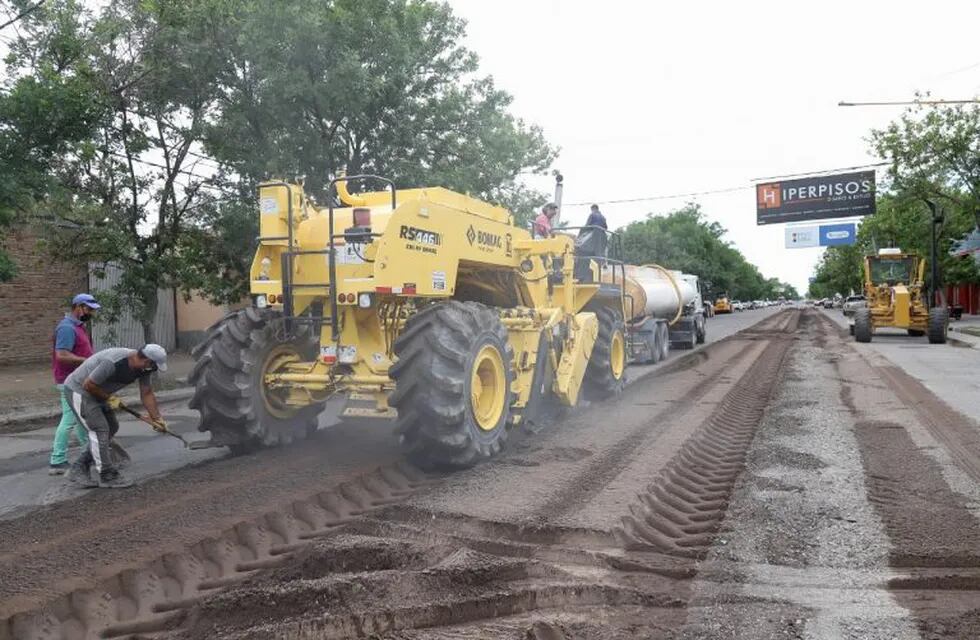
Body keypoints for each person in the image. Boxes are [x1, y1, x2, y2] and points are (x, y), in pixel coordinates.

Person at [64, 344, 169, 488]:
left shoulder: (144, 369)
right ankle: (107, 474)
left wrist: (157, 419)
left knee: (112, 427)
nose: (154, 370)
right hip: (80, 390)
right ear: (147, 361)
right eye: (155, 366)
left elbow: (147, 393)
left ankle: (79, 467)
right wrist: (109, 398)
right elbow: (88, 384)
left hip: (98, 391)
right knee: (99, 429)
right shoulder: (114, 361)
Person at [48, 294, 99, 475]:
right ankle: (57, 460)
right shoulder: (66, 328)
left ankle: (90, 453)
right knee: (70, 419)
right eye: (89, 309)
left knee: (81, 418)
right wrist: (88, 361)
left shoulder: (78, 327)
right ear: (78, 307)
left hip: (78, 380)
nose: (92, 313)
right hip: (69, 381)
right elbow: (61, 355)